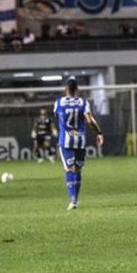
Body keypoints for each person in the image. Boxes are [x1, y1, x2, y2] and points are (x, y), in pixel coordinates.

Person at [54, 78, 104, 210]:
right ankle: (75, 199)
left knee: (69, 169)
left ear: (65, 89)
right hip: (80, 140)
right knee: (77, 169)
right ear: (77, 89)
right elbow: (90, 120)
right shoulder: (83, 102)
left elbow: (58, 117)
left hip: (66, 140)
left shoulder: (59, 102)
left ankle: (73, 200)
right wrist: (99, 133)